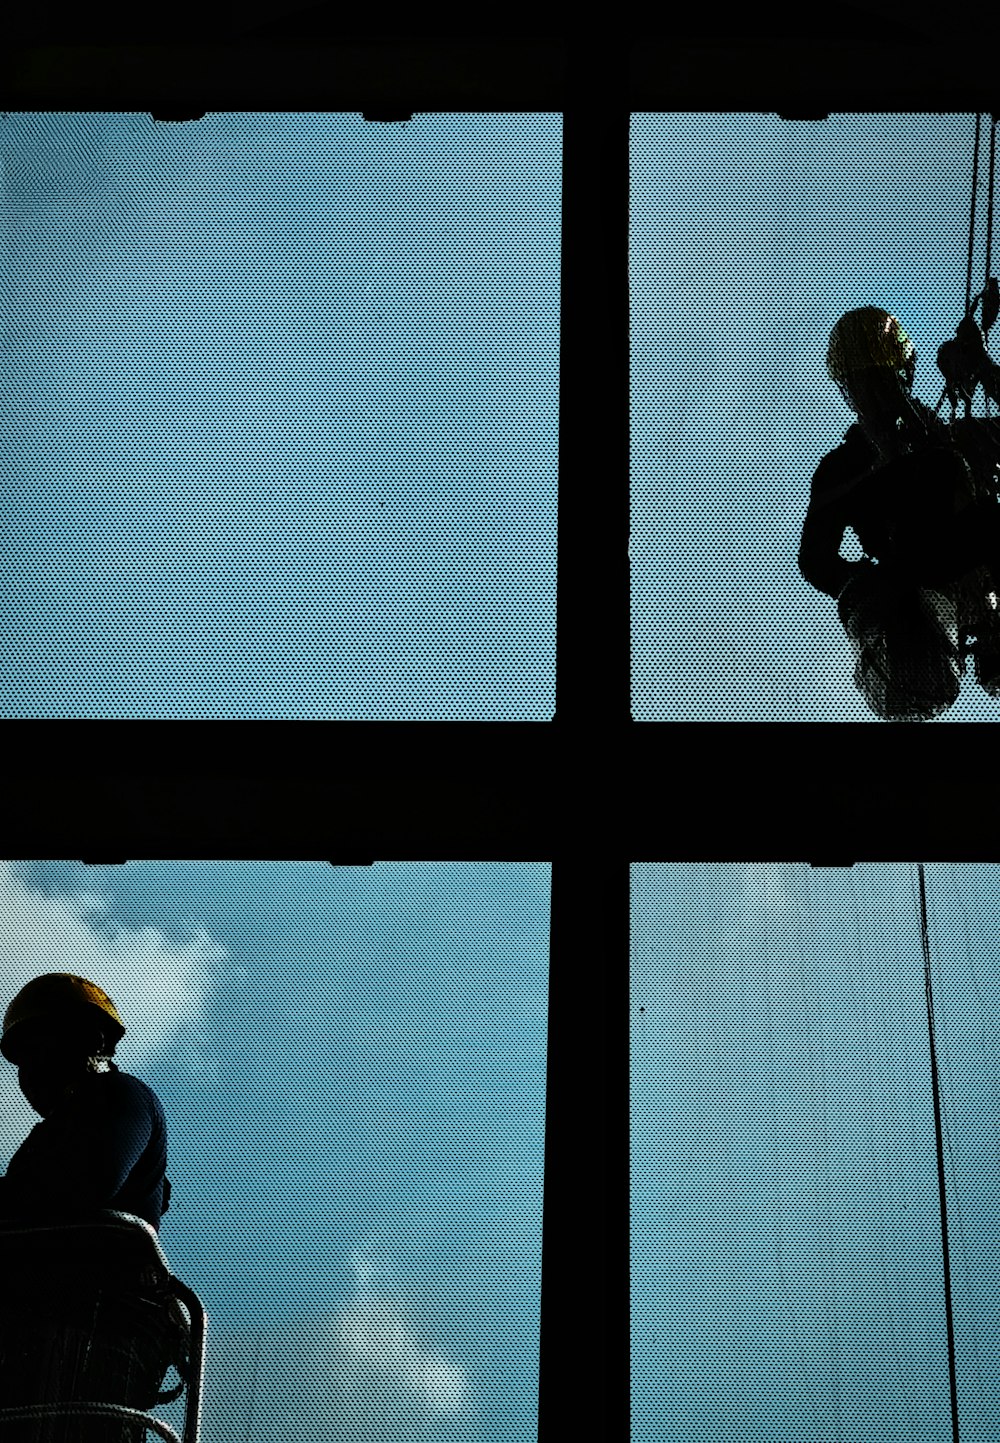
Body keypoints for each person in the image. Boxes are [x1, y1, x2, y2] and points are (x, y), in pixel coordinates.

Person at [0, 973, 180, 1441]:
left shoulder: (119, 1098)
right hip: (43, 1332)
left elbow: (80, 1185)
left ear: (93, 1038)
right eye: (20, 1060)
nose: (28, 1072)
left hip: (90, 1330)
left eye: (40, 1046)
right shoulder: (58, 1133)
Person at [798, 306, 1000, 719]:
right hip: (913, 577)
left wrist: (981, 367)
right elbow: (815, 560)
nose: (873, 394)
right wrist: (869, 583)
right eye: (864, 382)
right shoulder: (850, 467)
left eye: (878, 379)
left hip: (943, 564)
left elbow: (817, 560)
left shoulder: (946, 441)